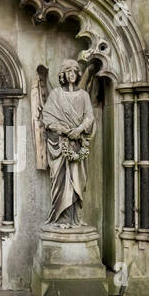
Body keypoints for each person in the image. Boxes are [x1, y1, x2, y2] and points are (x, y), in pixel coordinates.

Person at [40, 58, 95, 226]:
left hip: (78, 143)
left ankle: (75, 218)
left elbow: (89, 117)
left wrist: (78, 130)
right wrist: (64, 130)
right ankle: (61, 218)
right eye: (68, 72)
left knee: (78, 181)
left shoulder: (83, 95)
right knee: (60, 182)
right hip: (60, 145)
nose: (72, 75)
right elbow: (47, 118)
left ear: (78, 75)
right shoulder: (56, 94)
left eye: (74, 72)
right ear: (63, 75)